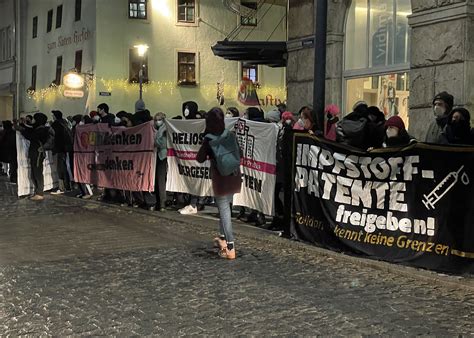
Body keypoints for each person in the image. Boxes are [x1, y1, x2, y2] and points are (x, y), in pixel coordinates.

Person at [196, 107, 241, 259]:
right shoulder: (230, 135)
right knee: (226, 207)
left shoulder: (209, 139)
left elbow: (200, 158)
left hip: (220, 178)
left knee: (224, 211)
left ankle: (230, 246)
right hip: (234, 175)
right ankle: (222, 238)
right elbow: (238, 153)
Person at [18, 112, 54, 201]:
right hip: (34, 153)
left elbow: (30, 135)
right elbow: (30, 129)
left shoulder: (42, 130)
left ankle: (40, 193)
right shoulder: (38, 128)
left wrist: (22, 129)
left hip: (38, 153)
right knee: (34, 173)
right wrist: (23, 125)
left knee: (37, 173)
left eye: (34, 119)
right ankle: (37, 192)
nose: (33, 121)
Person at [50, 110, 73, 194]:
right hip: (65, 149)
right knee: (65, 167)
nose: (52, 117)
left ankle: (62, 187)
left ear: (55, 116)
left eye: (53, 115)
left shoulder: (55, 125)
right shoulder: (65, 123)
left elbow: (54, 138)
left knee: (60, 168)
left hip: (59, 149)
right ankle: (68, 186)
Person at [154, 112, 168, 211]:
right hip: (158, 155)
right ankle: (159, 202)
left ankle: (162, 203)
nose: (157, 121)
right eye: (156, 119)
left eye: (159, 119)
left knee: (161, 180)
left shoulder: (165, 129)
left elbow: (162, 143)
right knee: (158, 180)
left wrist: (155, 142)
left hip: (163, 156)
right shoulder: (157, 129)